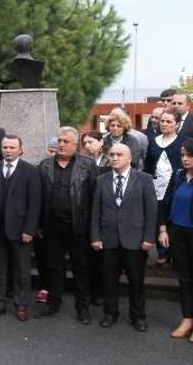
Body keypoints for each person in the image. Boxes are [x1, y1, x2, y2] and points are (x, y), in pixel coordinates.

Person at [91, 143, 156, 332]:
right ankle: (110, 313)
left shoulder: (144, 179)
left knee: (136, 281)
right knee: (109, 281)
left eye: (119, 154)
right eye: (111, 154)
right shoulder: (102, 180)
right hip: (108, 238)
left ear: (129, 158)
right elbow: (95, 211)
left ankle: (138, 316)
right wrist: (95, 236)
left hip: (135, 240)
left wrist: (149, 238)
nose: (114, 158)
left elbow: (151, 212)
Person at [36, 127, 97, 325]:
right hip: (52, 225)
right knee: (54, 266)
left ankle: (82, 307)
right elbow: (38, 199)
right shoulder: (44, 166)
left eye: (65, 142)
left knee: (81, 268)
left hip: (79, 226)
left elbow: (95, 198)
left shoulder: (87, 165)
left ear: (75, 144)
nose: (61, 144)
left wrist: (94, 228)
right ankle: (53, 303)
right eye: (59, 140)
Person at [0, 135, 41, 321]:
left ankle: (21, 304)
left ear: (20, 150)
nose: (8, 150)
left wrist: (30, 230)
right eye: (5, 147)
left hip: (20, 229)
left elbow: (35, 203)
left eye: (12, 147)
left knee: (22, 269)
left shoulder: (31, 171)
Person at [159, 138, 193, 340]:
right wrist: (163, 229)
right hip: (178, 233)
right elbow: (164, 202)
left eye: (189, 155)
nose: (185, 159)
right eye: (182, 155)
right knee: (185, 278)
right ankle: (187, 318)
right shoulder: (179, 175)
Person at [145, 110, 183, 265]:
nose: (164, 124)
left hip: (175, 187)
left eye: (169, 122)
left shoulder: (183, 141)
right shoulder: (153, 141)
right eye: (162, 121)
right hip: (155, 187)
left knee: (171, 219)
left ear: (177, 124)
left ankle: (172, 254)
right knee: (156, 218)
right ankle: (161, 254)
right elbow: (148, 165)